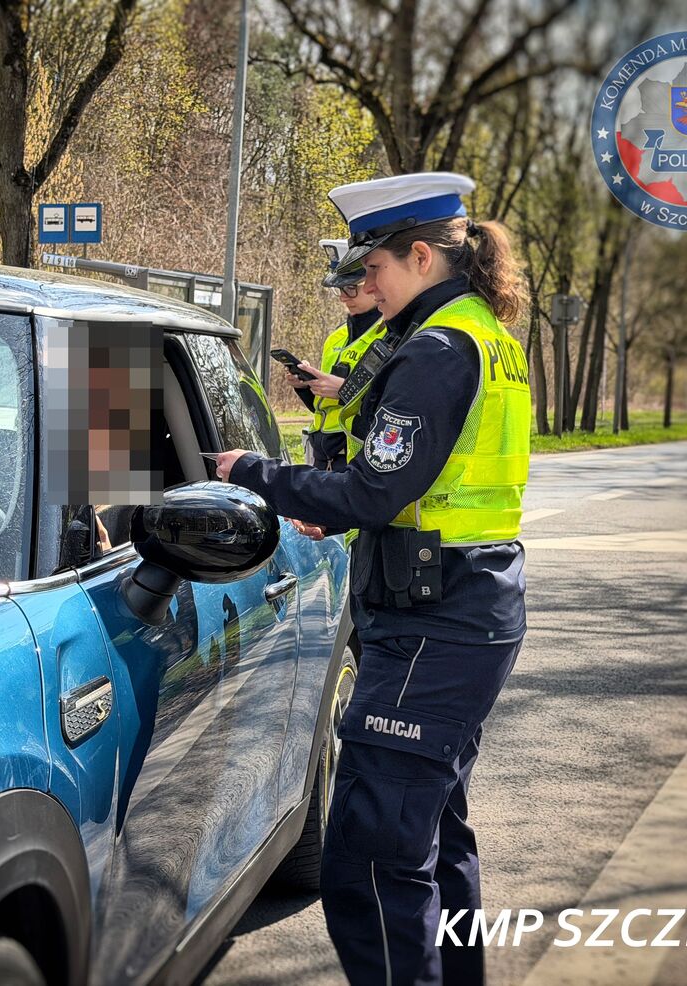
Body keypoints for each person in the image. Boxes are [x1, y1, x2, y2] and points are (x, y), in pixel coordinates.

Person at [216, 172, 531, 986]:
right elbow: (413, 484)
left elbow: (372, 490)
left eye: (375, 269)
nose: (366, 286)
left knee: (370, 862)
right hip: (468, 606)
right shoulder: (480, 332)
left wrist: (252, 472)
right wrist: (357, 506)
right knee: (436, 837)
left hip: (433, 624)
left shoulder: (437, 349)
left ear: (421, 256)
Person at [289, 240, 386, 471]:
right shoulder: (336, 337)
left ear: (373, 282)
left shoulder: (391, 336)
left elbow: (391, 405)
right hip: (324, 459)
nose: (343, 297)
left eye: (350, 287)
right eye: (339, 289)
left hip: (356, 459)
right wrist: (305, 386)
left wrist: (344, 390)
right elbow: (323, 407)